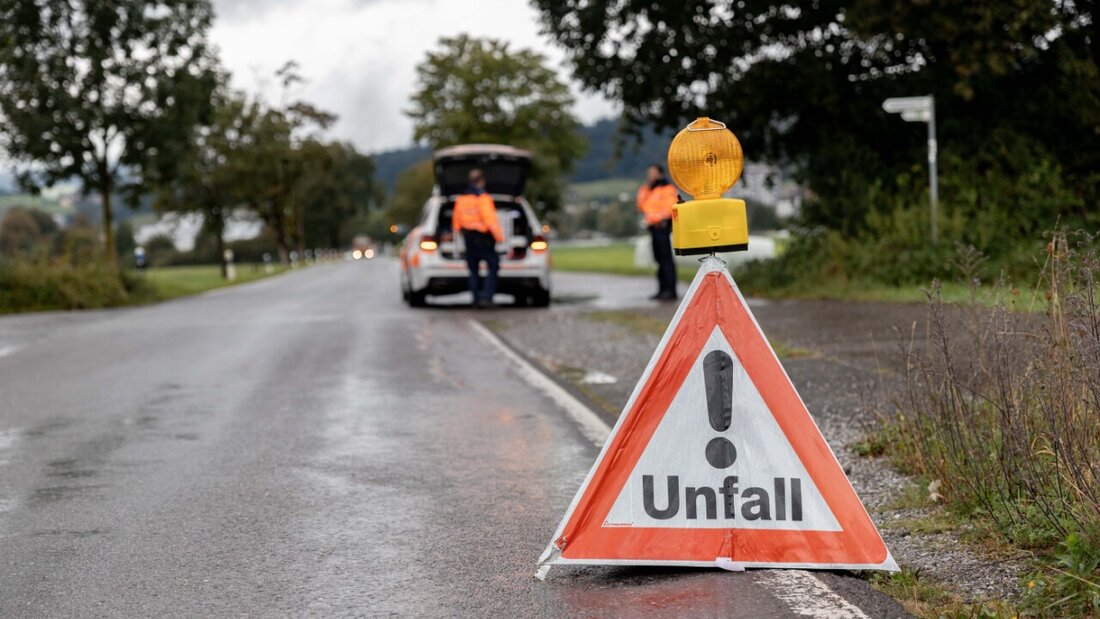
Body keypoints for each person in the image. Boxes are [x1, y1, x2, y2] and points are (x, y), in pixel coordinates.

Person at [452, 168, 503, 308]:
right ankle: (487, 297)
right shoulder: (483, 198)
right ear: (481, 181)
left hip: (468, 238)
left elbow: (456, 222)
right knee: (493, 265)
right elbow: (490, 220)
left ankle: (475, 299)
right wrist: (499, 237)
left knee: (473, 270)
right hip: (483, 238)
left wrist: (457, 235)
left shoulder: (461, 199)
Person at [637, 164, 679, 300]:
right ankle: (662, 290)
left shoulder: (668, 189)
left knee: (666, 260)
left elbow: (670, 208)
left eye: (653, 173)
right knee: (659, 260)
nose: (650, 175)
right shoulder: (649, 190)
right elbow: (641, 205)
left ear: (660, 174)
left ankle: (670, 291)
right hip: (653, 228)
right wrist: (646, 188)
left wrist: (659, 218)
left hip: (662, 226)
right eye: (649, 173)